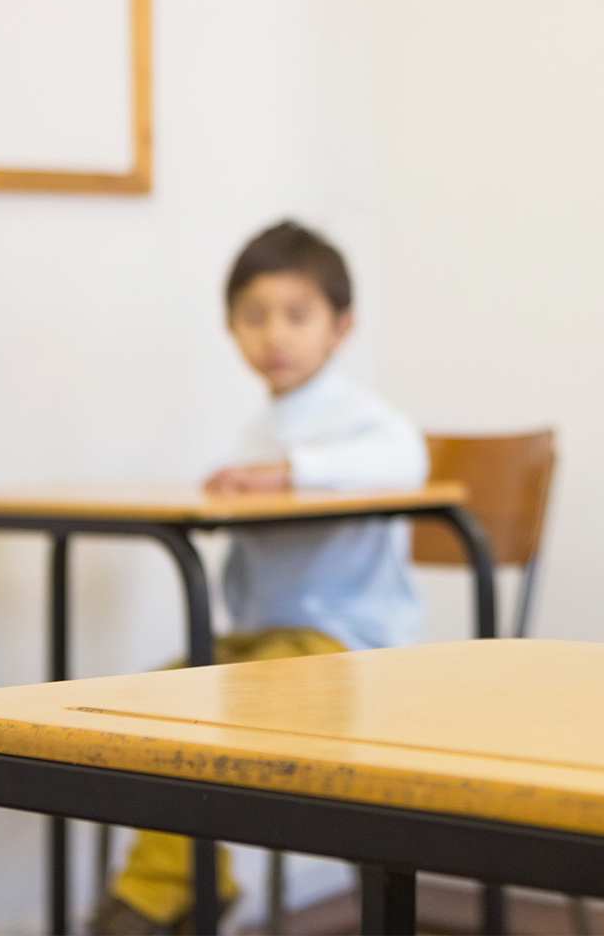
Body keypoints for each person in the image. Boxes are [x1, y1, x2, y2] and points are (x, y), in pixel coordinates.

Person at [92, 220, 427, 936]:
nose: (274, 334)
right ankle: (186, 884)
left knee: (205, 705)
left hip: (349, 648)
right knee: (155, 700)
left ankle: (163, 897)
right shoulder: (259, 430)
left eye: (297, 315)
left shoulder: (365, 422)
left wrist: (290, 475)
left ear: (341, 327)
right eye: (254, 316)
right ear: (231, 329)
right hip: (265, 640)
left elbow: (408, 461)